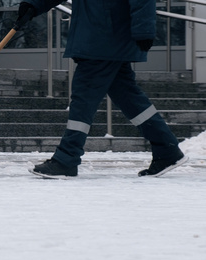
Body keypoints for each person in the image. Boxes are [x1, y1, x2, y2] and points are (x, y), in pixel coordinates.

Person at [17, 0, 188, 179]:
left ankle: (66, 159)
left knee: (83, 99)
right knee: (129, 98)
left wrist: (144, 29)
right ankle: (166, 149)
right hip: (100, 34)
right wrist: (34, 5)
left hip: (105, 36)